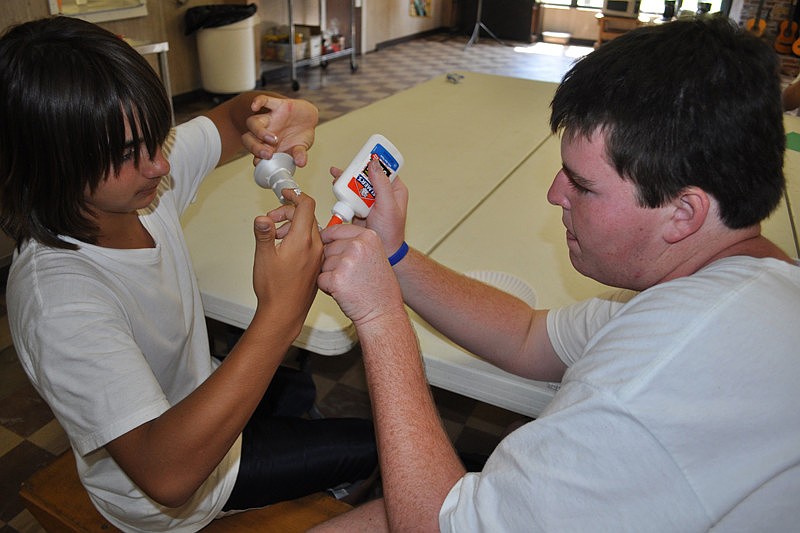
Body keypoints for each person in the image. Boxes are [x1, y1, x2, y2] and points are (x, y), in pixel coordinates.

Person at [307, 15, 800, 532]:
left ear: (683, 213)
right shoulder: (735, 286)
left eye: (583, 186)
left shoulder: (647, 384)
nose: (555, 194)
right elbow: (527, 337)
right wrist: (393, 256)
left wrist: (380, 316)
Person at [0, 16, 376, 532]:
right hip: (184, 489)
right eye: (130, 153)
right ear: (48, 165)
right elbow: (168, 474)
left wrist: (279, 113)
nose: (159, 165)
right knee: (375, 444)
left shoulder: (133, 187)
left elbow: (232, 118)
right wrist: (283, 313)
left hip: (195, 390)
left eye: (157, 137)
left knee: (296, 392)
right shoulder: (60, 303)